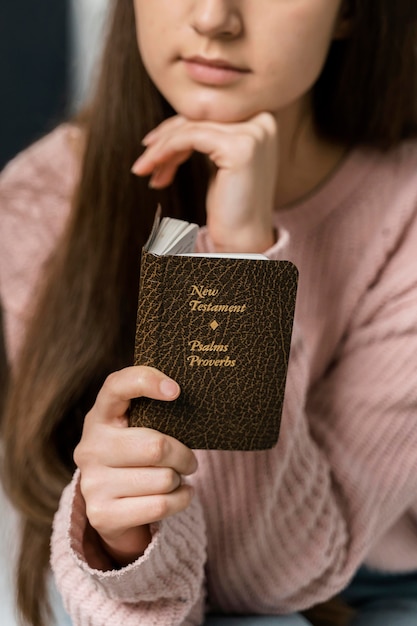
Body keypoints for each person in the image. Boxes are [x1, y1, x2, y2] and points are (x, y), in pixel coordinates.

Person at [1, 1, 417, 625]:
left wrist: (241, 255)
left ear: (351, 12)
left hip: (371, 589)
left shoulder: (404, 211)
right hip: (139, 593)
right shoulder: (42, 198)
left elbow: (269, 576)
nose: (213, 18)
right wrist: (123, 538)